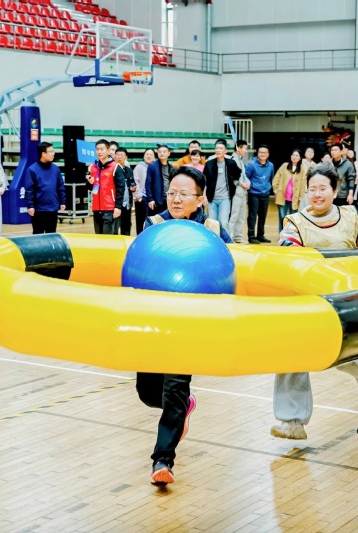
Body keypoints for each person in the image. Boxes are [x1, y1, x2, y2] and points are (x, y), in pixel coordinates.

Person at [271, 162, 358, 440]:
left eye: (323, 188)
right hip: (308, 306)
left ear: (335, 191)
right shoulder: (295, 223)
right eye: (312, 189)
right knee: (292, 355)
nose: (317, 194)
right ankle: (292, 421)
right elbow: (287, 259)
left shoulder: (352, 218)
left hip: (348, 305)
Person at [139, 166, 232, 487]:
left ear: (200, 199)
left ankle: (162, 460)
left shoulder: (213, 229)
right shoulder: (154, 225)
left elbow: (231, 267)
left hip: (190, 323)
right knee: (149, 393)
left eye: (184, 194)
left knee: (175, 388)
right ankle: (185, 405)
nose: (176, 199)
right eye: (172, 193)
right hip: (154, 319)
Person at [25, 142, 66, 234]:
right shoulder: (32, 169)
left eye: (53, 151)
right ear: (43, 154)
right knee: (38, 235)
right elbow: (29, 190)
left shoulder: (56, 169)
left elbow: (60, 186)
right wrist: (30, 206)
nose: (53, 153)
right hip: (38, 209)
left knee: (51, 235)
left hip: (52, 208)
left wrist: (62, 201)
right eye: (50, 151)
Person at [202, 139, 241, 235]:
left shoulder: (231, 163)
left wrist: (234, 183)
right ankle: (213, 241)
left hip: (225, 198)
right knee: (212, 223)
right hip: (211, 199)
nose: (218, 150)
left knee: (224, 222)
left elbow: (238, 173)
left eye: (221, 148)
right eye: (217, 148)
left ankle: (226, 241)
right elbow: (205, 181)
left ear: (225, 151)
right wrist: (204, 196)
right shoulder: (209, 164)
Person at [89, 139, 125, 235]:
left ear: (108, 151)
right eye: (97, 149)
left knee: (109, 238)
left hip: (110, 208)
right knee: (99, 238)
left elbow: (121, 188)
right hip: (96, 208)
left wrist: (118, 207)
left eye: (102, 149)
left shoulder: (115, 167)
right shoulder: (92, 167)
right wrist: (89, 183)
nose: (99, 152)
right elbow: (90, 187)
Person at [271, 149, 307, 232]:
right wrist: (275, 190)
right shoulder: (285, 166)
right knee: (282, 217)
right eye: (293, 155)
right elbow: (276, 178)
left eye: (297, 155)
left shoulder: (302, 169)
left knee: (293, 218)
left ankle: (290, 235)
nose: (294, 157)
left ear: (300, 158)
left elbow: (303, 185)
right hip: (282, 197)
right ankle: (282, 234)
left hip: (295, 198)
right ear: (290, 156)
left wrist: (300, 198)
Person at [246, 144, 275, 244]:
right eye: (261, 152)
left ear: (268, 154)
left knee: (263, 216)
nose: (263, 154)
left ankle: (260, 235)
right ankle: (251, 236)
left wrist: (268, 188)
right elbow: (246, 178)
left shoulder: (270, 165)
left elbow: (271, 178)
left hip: (265, 194)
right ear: (257, 153)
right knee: (252, 216)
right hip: (254, 194)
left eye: (265, 152)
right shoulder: (251, 164)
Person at [229, 139, 250, 243]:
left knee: (241, 216)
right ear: (239, 148)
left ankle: (238, 236)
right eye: (245, 148)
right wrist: (241, 184)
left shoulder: (240, 160)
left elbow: (243, 175)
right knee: (234, 216)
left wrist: (248, 182)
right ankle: (230, 237)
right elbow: (232, 177)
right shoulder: (232, 160)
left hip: (243, 192)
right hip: (236, 192)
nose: (246, 151)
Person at [114, 147, 136, 236]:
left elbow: (132, 183)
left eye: (121, 155)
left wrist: (133, 187)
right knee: (114, 228)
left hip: (127, 204)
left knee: (126, 226)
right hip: (115, 204)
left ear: (126, 157)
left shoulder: (129, 170)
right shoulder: (112, 170)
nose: (119, 157)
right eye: (117, 155)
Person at [146, 143, 172, 215]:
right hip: (156, 200)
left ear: (168, 154)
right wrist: (150, 199)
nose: (162, 153)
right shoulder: (152, 166)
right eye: (160, 152)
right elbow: (148, 184)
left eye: (164, 152)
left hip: (168, 199)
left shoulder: (171, 167)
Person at [133, 148, 155, 234]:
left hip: (153, 198)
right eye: (147, 154)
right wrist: (139, 196)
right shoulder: (139, 167)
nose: (149, 156)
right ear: (143, 156)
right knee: (141, 222)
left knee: (152, 221)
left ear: (154, 157)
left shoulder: (155, 167)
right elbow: (135, 182)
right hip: (142, 198)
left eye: (151, 154)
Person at [331, 142, 356, 206]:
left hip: (343, 195)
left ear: (341, 151)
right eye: (332, 150)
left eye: (335, 150)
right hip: (330, 194)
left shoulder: (348, 164)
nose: (333, 152)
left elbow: (351, 180)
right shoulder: (328, 163)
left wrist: (350, 195)